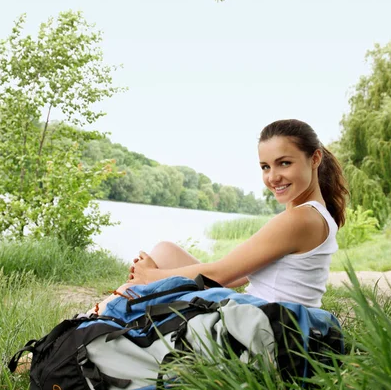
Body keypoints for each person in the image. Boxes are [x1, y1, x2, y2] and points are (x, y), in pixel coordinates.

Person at [92, 119, 349, 314]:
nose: (273, 177)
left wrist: (149, 277)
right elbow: (238, 277)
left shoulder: (300, 219)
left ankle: (86, 326)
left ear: (315, 159)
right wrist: (152, 275)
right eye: (265, 167)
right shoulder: (307, 214)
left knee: (135, 290)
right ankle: (93, 321)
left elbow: (221, 274)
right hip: (263, 314)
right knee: (165, 251)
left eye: (284, 163)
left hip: (267, 325)